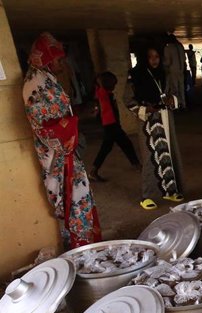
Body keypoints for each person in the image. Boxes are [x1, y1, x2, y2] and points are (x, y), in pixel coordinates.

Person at [22, 32, 101, 248]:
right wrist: (80, 117)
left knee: (79, 200)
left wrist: (77, 112)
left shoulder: (45, 79)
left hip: (66, 156)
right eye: (58, 60)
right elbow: (46, 129)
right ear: (46, 59)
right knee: (74, 203)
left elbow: (59, 112)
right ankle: (81, 250)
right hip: (58, 160)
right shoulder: (36, 84)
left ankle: (85, 246)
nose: (63, 64)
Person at [124, 46, 185, 210]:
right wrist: (144, 110)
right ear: (144, 58)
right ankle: (147, 196)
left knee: (169, 153)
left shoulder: (165, 73)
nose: (154, 60)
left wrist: (172, 99)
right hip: (148, 122)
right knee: (150, 157)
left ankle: (170, 190)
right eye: (150, 57)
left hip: (165, 118)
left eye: (157, 56)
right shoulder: (135, 75)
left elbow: (174, 92)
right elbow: (128, 99)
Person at [90, 71, 141, 182]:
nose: (114, 87)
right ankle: (136, 165)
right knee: (126, 144)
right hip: (111, 125)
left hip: (110, 124)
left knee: (108, 148)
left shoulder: (101, 92)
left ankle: (94, 171)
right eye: (113, 84)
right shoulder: (103, 93)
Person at [163, 31, 186, 108]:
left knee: (175, 89)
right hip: (181, 70)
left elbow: (168, 61)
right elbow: (184, 59)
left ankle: (177, 104)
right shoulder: (180, 46)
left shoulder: (168, 47)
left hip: (173, 70)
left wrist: (164, 65)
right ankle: (183, 104)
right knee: (181, 88)